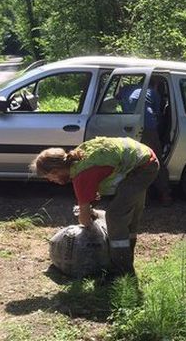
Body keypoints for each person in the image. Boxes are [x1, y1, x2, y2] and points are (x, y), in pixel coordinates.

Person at [30, 136, 159, 278]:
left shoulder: (82, 176)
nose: (51, 181)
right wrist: (90, 208)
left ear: (55, 171)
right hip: (143, 158)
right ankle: (125, 263)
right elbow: (99, 183)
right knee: (127, 214)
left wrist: (87, 214)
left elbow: (84, 221)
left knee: (115, 217)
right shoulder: (79, 157)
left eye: (49, 177)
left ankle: (122, 273)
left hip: (143, 168)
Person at [117, 77, 172, 204]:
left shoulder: (127, 89)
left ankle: (140, 196)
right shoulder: (153, 92)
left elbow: (116, 98)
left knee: (133, 160)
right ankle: (165, 194)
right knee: (154, 159)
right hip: (148, 127)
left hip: (129, 126)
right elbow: (158, 113)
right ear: (156, 84)